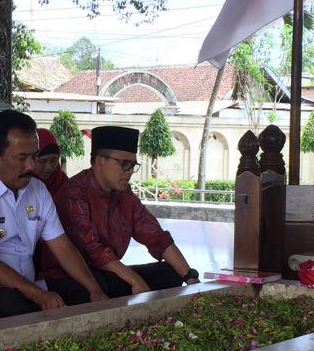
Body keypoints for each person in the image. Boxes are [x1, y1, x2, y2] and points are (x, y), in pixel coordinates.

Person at [0, 110, 107, 321]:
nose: (31, 166)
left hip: (27, 287)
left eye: (34, 156)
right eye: (22, 158)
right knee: (15, 307)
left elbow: (62, 246)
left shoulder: (37, 189)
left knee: (93, 286)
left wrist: (94, 289)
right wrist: (39, 295)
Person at [41, 125, 199, 300]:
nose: (130, 172)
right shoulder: (73, 193)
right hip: (70, 279)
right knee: (100, 284)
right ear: (101, 160)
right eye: (124, 164)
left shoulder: (125, 195)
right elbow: (94, 250)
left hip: (111, 274)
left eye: (132, 165)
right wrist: (134, 280)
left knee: (171, 272)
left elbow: (156, 236)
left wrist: (190, 277)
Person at [31, 127, 68, 196]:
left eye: (53, 161)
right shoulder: (18, 184)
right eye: (42, 161)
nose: (49, 167)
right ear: (30, 159)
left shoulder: (65, 184)